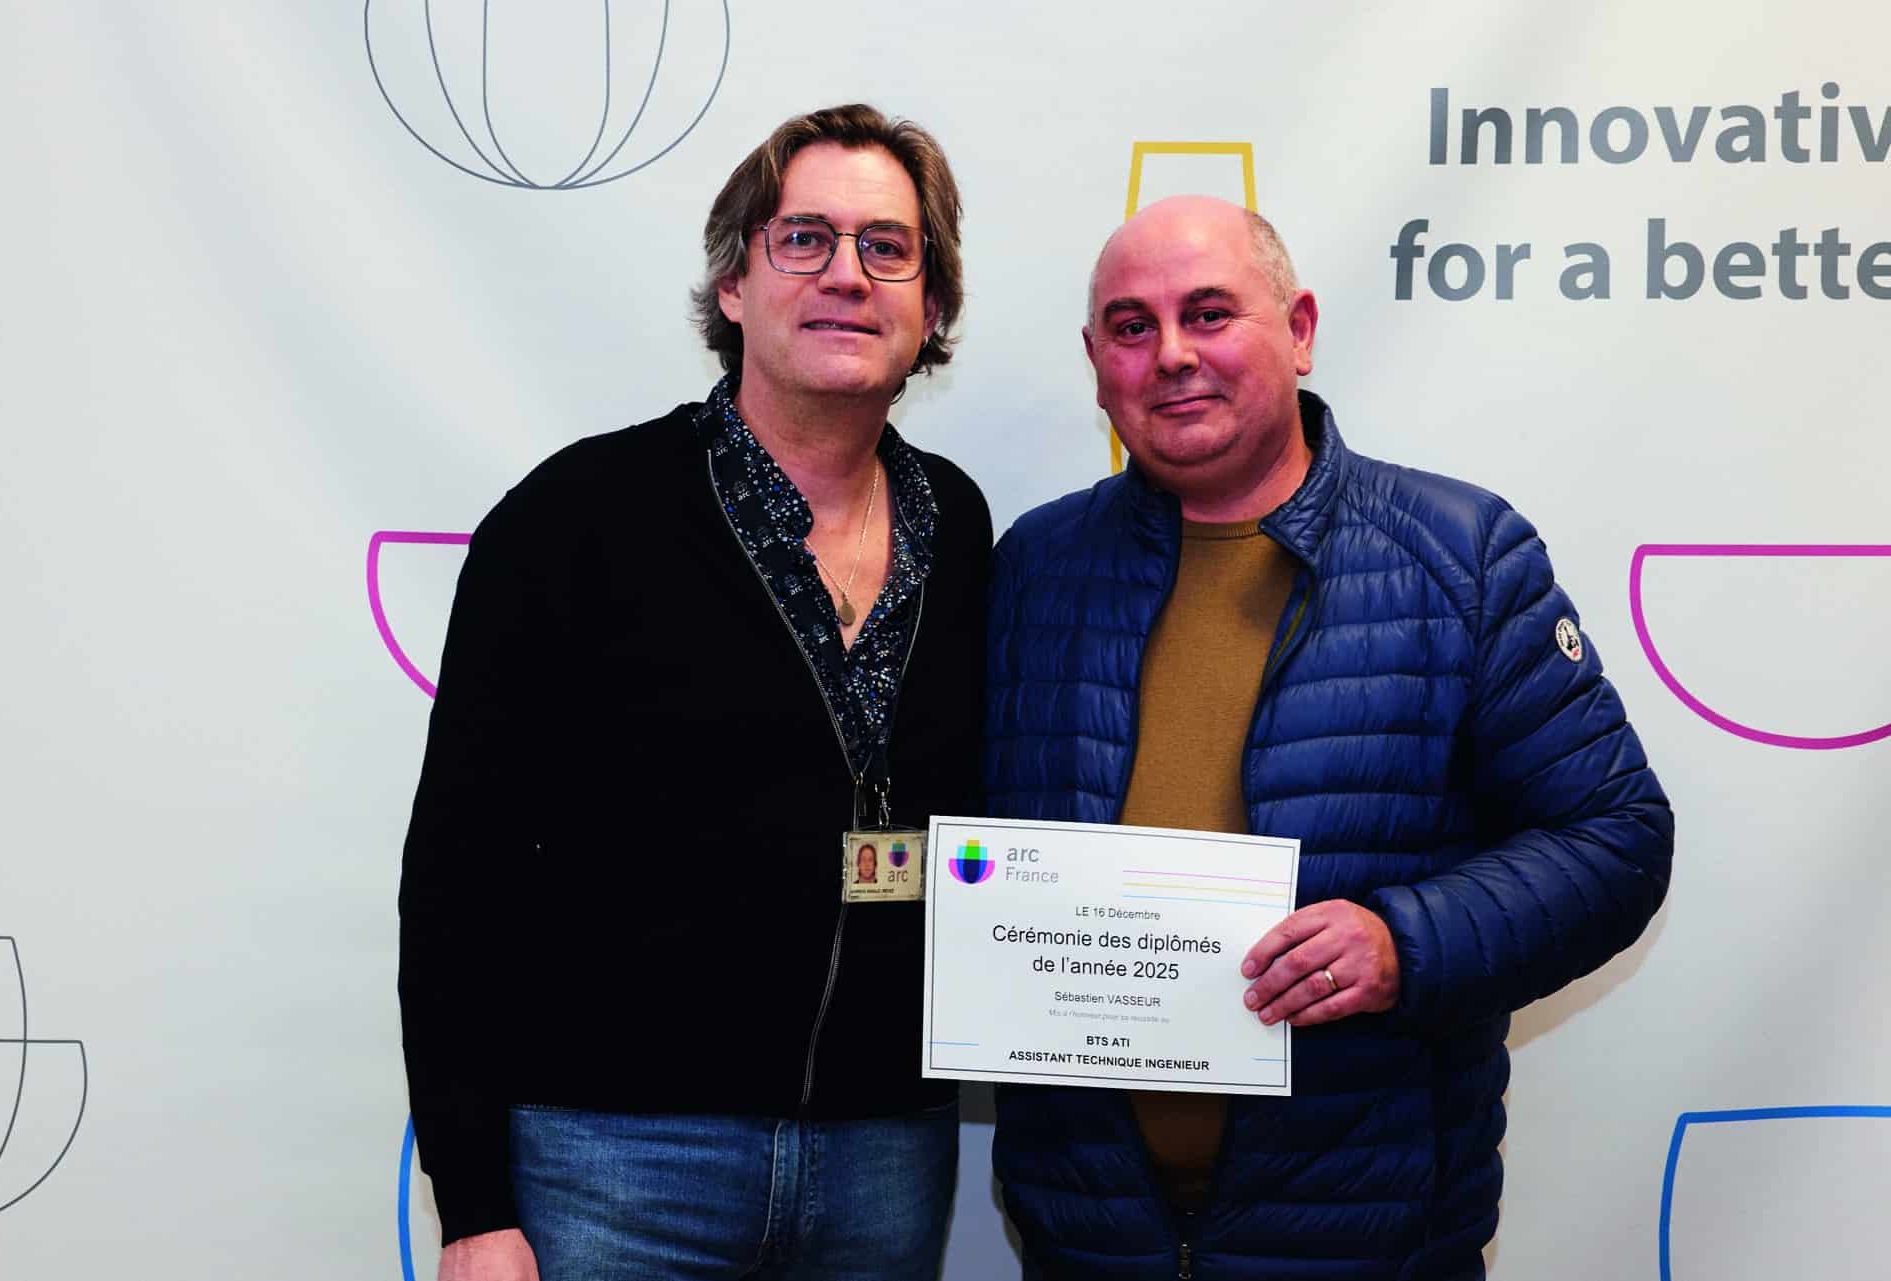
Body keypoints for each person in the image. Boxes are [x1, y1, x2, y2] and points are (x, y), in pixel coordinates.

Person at [983, 196, 1673, 1280]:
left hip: (1370, 1241)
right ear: (1096, 363)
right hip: (1089, 1239)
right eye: (1131, 326)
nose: (1172, 355)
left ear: (1299, 329)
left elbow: (1617, 836)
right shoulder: (1034, 565)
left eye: (1210, 313)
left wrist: (1406, 942)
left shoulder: (1461, 556)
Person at [399, 104, 992, 1281]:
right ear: (733, 284)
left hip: (886, 1160)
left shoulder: (962, 526)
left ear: (931, 306)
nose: (846, 274)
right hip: (616, 1163)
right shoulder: (575, 518)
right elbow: (458, 872)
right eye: (803, 238)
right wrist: (472, 1204)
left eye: (887, 247)